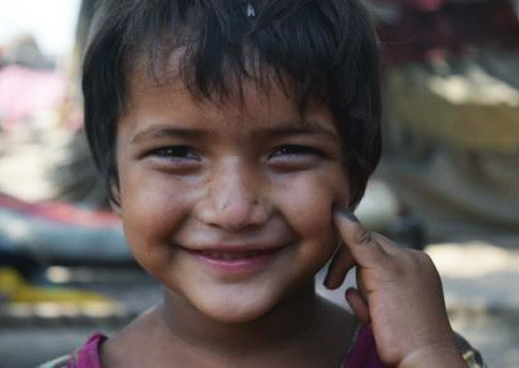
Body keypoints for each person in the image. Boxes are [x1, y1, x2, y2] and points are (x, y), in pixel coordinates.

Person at [41, 0, 485, 367]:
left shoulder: (427, 357)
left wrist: (429, 353)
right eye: (176, 153)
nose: (233, 210)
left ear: (356, 171)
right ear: (115, 179)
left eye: (289, 152)